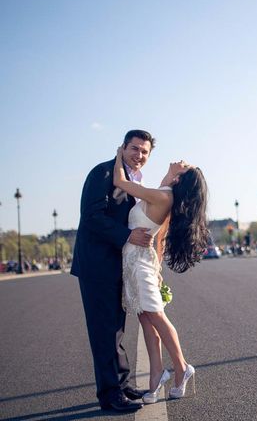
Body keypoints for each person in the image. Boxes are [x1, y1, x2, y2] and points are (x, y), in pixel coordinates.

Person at [113, 144, 209, 403]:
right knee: (146, 319)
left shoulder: (163, 197)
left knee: (155, 315)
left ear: (179, 178)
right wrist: (158, 270)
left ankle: (181, 367)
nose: (181, 159)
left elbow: (119, 181)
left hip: (139, 263)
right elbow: (160, 239)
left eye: (184, 164)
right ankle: (156, 377)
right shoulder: (163, 193)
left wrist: (120, 152)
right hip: (137, 262)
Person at [71, 130, 155, 412]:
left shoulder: (131, 179)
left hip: (116, 264)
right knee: (104, 330)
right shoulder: (103, 173)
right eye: (134, 148)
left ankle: (120, 384)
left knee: (116, 329)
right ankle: (109, 394)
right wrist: (128, 236)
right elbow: (92, 217)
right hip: (97, 265)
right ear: (122, 147)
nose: (139, 155)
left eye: (144, 152)